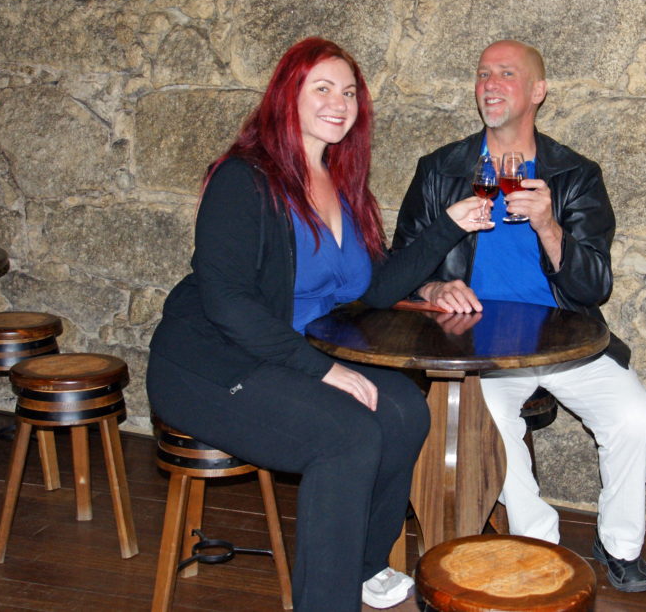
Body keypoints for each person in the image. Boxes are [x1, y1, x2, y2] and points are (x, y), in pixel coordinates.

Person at [147, 37, 492, 611]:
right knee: (348, 437)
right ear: (288, 96)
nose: (340, 103)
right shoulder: (245, 179)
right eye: (322, 88)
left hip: (281, 356)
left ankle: (362, 567)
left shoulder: (340, 182)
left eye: (350, 92)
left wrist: (448, 227)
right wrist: (323, 370)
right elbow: (229, 303)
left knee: (405, 410)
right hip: (209, 362)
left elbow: (373, 287)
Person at [392, 39, 646, 593]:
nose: (490, 83)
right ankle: (539, 539)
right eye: (483, 73)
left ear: (537, 91)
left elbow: (594, 285)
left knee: (637, 419)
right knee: (488, 422)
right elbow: (402, 263)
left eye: (506, 74)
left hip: (564, 337)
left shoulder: (575, 175)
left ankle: (619, 547)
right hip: (480, 345)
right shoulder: (441, 169)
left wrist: (547, 226)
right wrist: (437, 284)